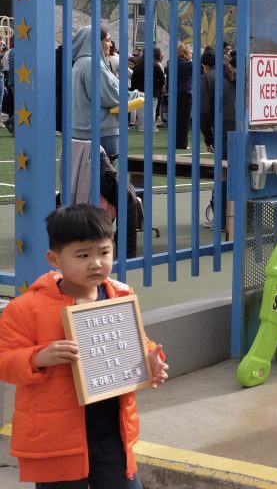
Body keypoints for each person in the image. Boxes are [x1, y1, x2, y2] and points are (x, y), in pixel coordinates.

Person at [0, 204, 168, 487]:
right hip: (56, 440)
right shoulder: (26, 308)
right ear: (54, 259)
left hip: (113, 434)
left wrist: (151, 358)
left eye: (104, 252)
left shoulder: (121, 296)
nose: (96, 263)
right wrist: (38, 358)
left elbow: (134, 342)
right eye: (83, 255)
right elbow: (5, 361)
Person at [199, 46, 236, 232]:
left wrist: (208, 138)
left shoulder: (206, 79)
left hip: (223, 129)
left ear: (204, 65)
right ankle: (239, 216)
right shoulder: (232, 75)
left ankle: (221, 218)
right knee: (239, 173)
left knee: (223, 175)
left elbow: (203, 112)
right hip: (240, 126)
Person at [71, 26, 122, 158]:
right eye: (107, 40)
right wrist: (137, 96)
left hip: (81, 130)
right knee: (105, 176)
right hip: (101, 130)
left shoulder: (79, 63)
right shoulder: (93, 64)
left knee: (84, 176)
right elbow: (110, 97)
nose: (110, 44)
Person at [130, 46, 166, 132]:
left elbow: (133, 78)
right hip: (153, 90)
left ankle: (141, 126)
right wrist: (159, 87)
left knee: (141, 109)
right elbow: (162, 78)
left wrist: (134, 89)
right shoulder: (155, 64)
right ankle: (151, 127)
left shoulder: (138, 64)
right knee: (152, 109)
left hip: (140, 90)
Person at [170, 42, 194, 149]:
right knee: (184, 120)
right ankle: (182, 143)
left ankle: (175, 141)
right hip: (185, 93)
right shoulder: (188, 65)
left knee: (176, 118)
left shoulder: (172, 63)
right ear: (185, 53)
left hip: (174, 92)